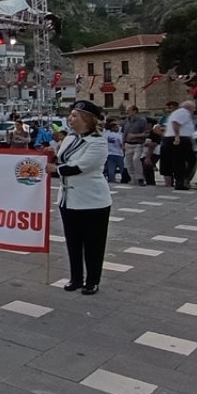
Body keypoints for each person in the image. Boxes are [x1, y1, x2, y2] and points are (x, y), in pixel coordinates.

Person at [48, 101, 112, 296]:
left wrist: (55, 169)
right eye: (71, 115)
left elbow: (81, 166)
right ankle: (76, 278)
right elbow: (62, 159)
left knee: (93, 244)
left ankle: (92, 280)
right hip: (69, 199)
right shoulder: (69, 139)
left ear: (87, 119)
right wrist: (51, 157)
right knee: (73, 242)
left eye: (75, 115)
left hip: (92, 201)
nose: (70, 119)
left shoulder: (98, 142)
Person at [163, 101, 197, 190]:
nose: (193, 110)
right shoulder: (183, 112)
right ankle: (184, 180)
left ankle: (180, 182)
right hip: (180, 139)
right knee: (192, 160)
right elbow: (175, 123)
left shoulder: (177, 112)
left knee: (179, 162)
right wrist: (177, 136)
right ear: (189, 108)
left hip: (172, 139)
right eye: (193, 108)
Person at [121, 106, 150, 185]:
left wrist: (135, 135)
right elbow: (124, 133)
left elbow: (146, 133)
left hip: (137, 144)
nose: (127, 112)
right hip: (128, 144)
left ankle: (140, 177)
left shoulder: (142, 121)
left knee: (136, 159)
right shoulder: (125, 121)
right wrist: (123, 143)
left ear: (135, 111)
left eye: (129, 110)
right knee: (129, 162)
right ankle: (133, 178)